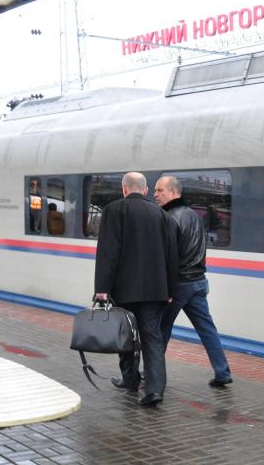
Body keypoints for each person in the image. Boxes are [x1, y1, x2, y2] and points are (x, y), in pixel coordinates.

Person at [93, 172, 178, 407]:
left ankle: (129, 379)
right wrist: (170, 289)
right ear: (146, 190)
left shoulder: (114, 210)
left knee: (125, 335)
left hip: (125, 288)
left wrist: (102, 288)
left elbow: (109, 252)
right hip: (155, 290)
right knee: (152, 337)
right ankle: (155, 389)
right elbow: (172, 256)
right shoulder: (163, 216)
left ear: (124, 189)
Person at [154, 175, 233, 388]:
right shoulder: (194, 215)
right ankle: (222, 372)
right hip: (198, 281)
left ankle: (152, 374)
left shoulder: (168, 218)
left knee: (160, 330)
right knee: (207, 330)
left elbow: (167, 256)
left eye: (160, 190)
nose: (155, 194)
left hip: (179, 284)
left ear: (173, 192)